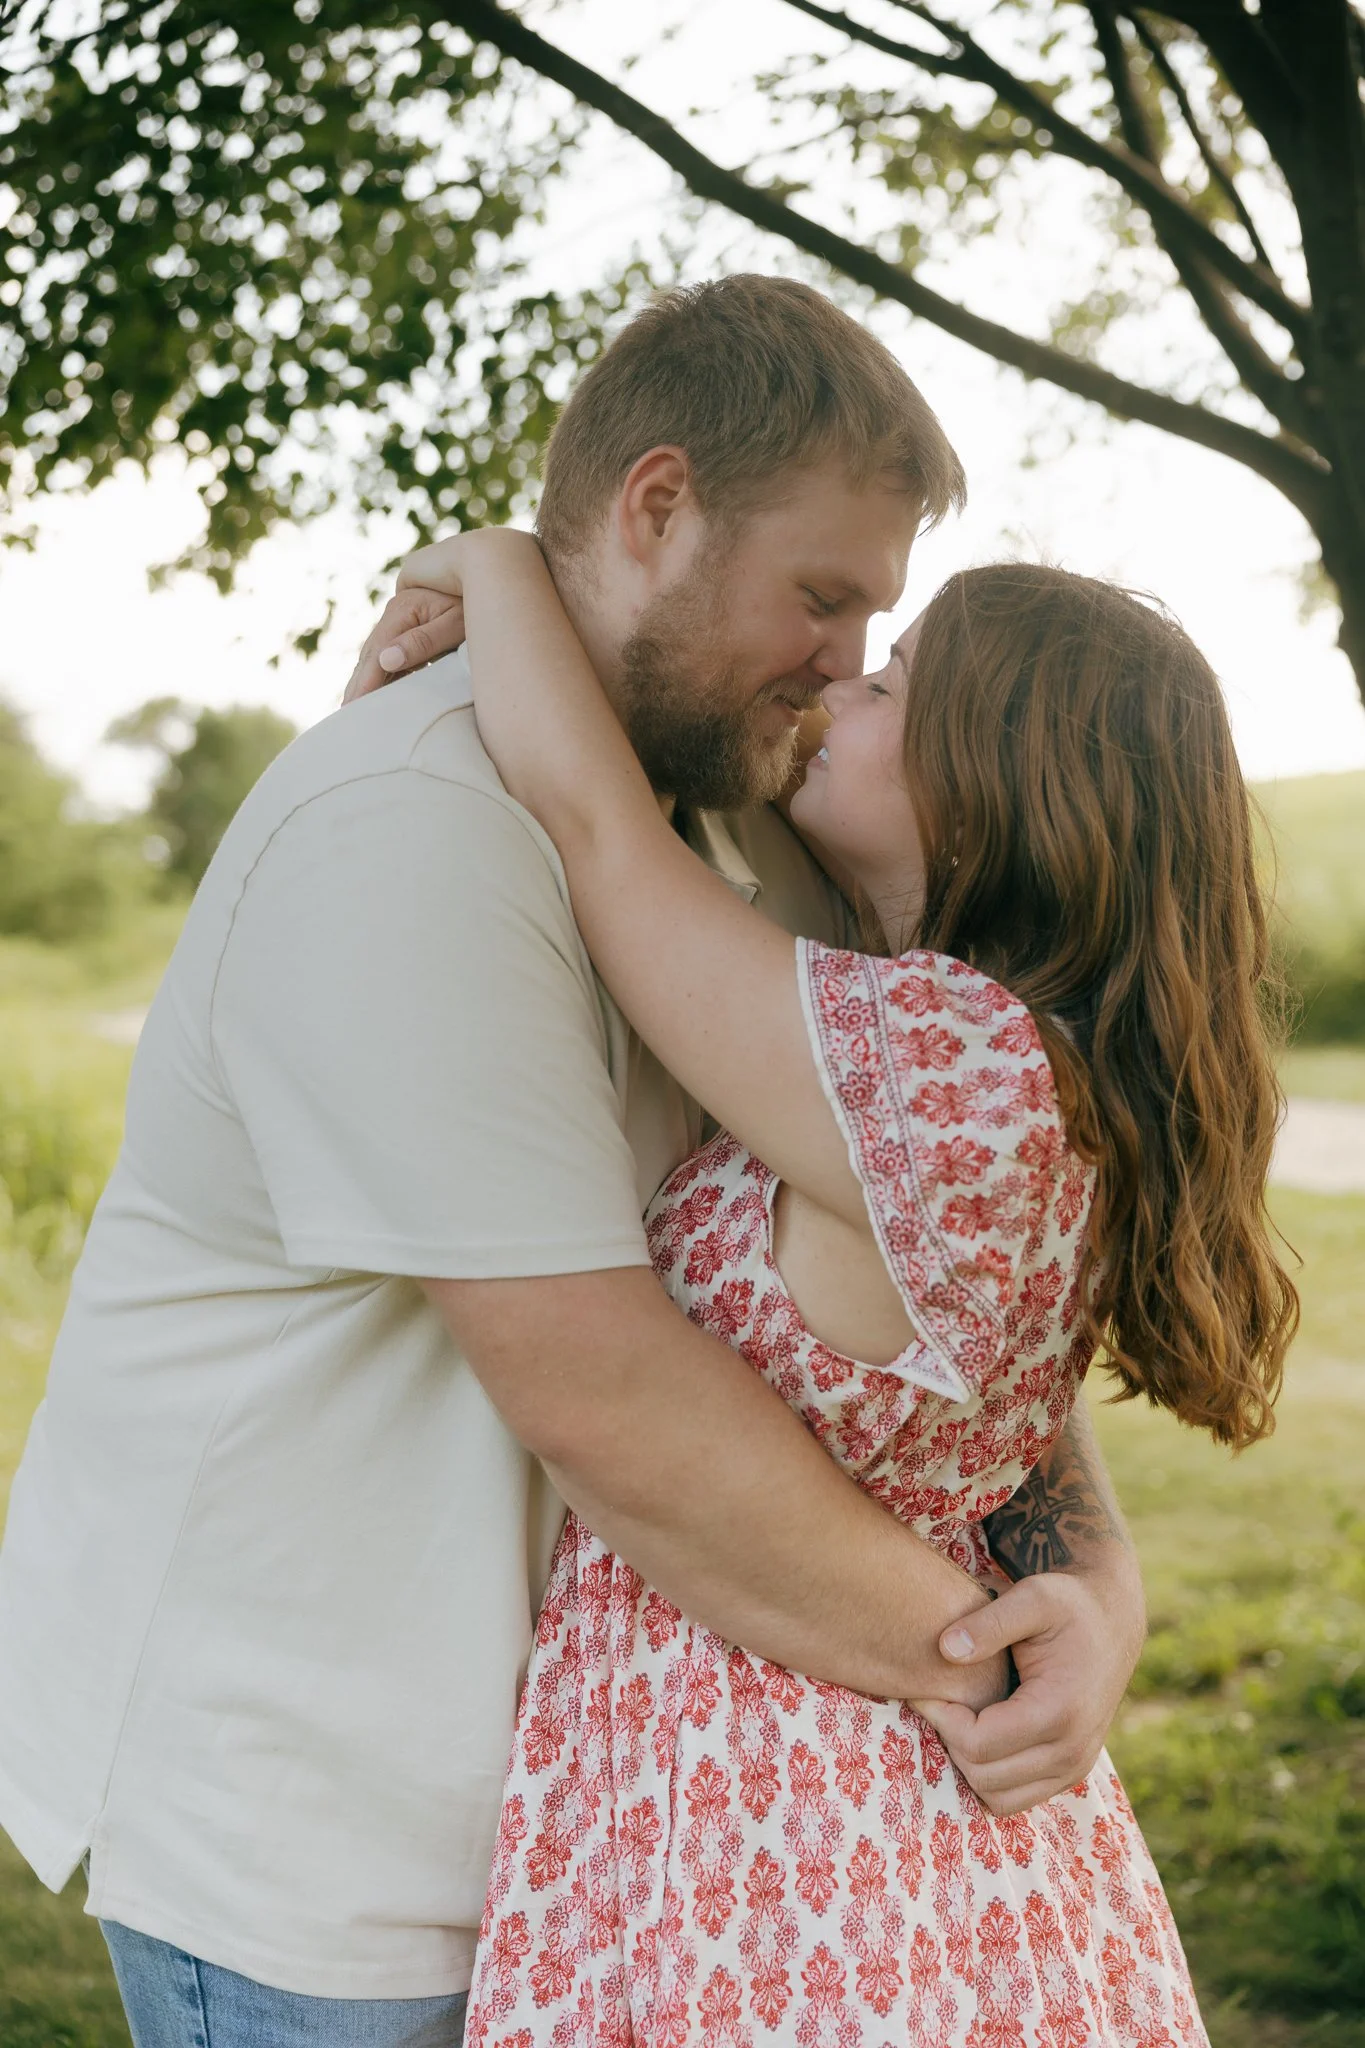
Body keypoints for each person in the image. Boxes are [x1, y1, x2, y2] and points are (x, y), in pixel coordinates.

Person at [0, 277, 1141, 2048]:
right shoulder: (411, 829)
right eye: (824, 598)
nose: (848, 664)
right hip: (336, 1854)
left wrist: (1100, 1593)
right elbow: (601, 1388)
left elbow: (936, 1309)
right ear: (659, 508)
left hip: (609, 1834)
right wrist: (980, 1649)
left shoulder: (754, 827)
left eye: (878, 621)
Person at [359, 526, 1297, 2045]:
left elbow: (600, 835)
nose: (843, 688)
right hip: (911, 1811)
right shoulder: (1023, 1070)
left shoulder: (948, 1069)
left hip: (775, 1809)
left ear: (997, 777)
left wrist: (502, 560)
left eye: (897, 685)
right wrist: (1107, 1593)